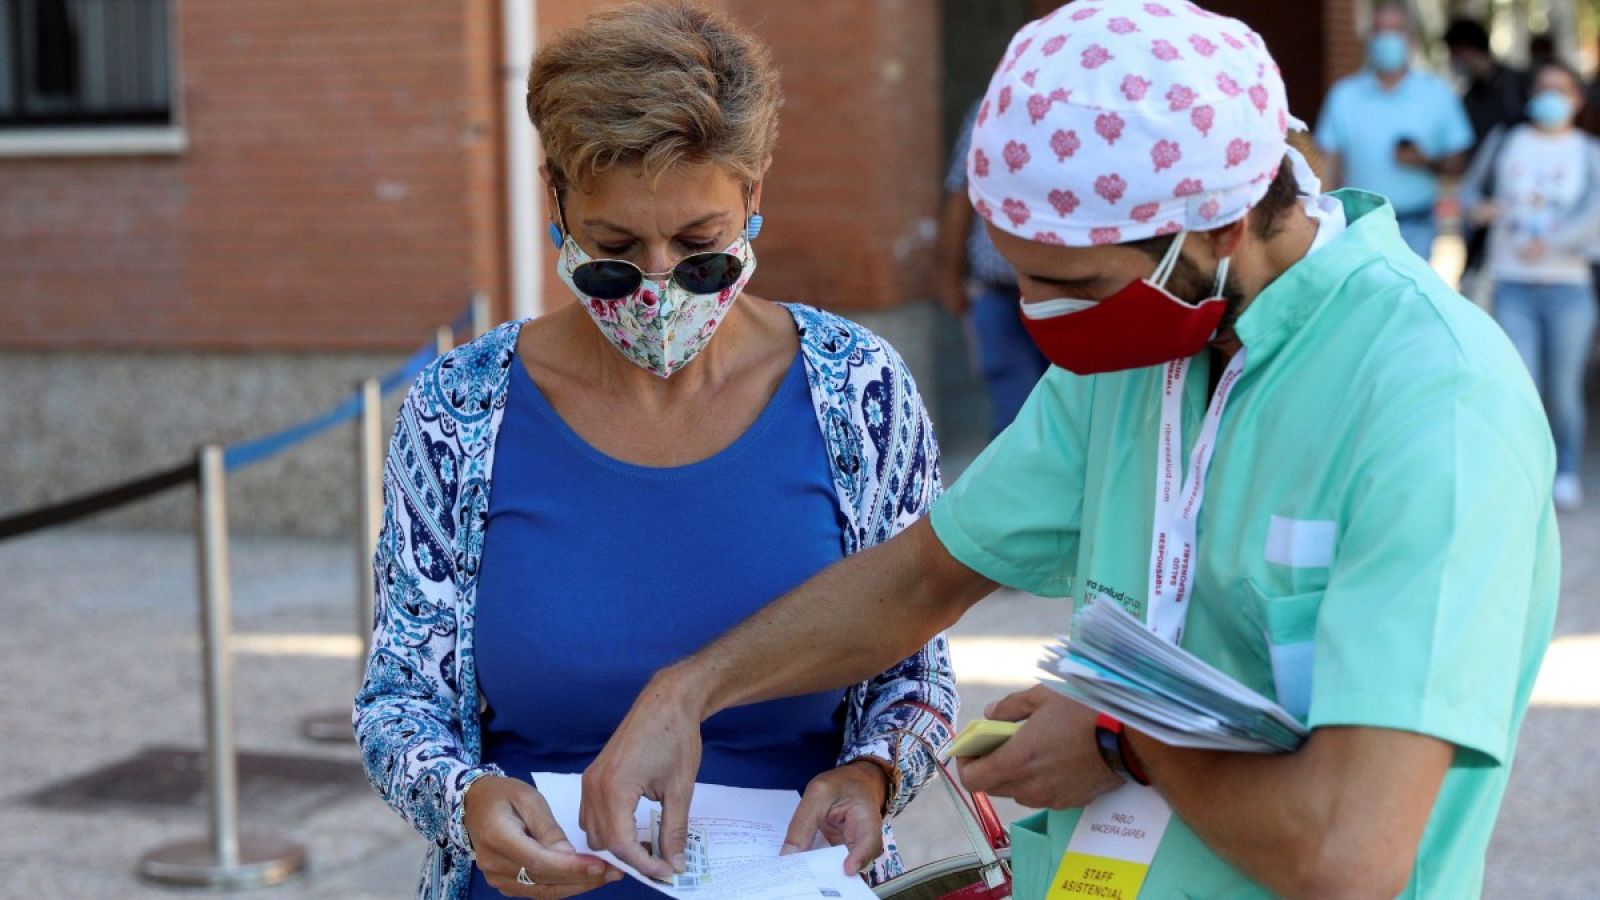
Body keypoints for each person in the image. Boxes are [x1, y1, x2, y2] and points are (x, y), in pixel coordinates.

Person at [579, 2, 1559, 898]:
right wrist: (688, 692)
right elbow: (922, 576)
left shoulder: (1432, 404)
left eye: (1077, 286)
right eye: (1023, 281)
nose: (1043, 318)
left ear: (1215, 226)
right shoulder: (1161, 339)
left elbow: (1350, 850)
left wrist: (1123, 742)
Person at [351, 4, 957, 898]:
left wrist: (871, 775)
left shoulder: (857, 390)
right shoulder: (460, 410)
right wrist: (465, 798)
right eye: (615, 254)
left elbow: (916, 669)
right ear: (557, 201)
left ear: (754, 195)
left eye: (702, 250)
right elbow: (401, 702)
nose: (660, 288)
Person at [1461, 61, 1600, 511]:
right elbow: (1467, 196)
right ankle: (1521, 473)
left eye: (1561, 90)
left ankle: (1567, 469)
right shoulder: (1507, 142)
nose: (1551, 98)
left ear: (1577, 100)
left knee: (1562, 390)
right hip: (1511, 284)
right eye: (1543, 88)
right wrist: (1480, 210)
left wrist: (1553, 241)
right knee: (1520, 385)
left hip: (1568, 286)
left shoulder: (1588, 151)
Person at [1315, 3, 1475, 261]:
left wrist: (1425, 161)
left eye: (1395, 30)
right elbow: (1327, 165)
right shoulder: (1344, 95)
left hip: (1418, 224)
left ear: (1410, 38)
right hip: (1359, 226)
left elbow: (1460, 162)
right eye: (1379, 30)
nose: (1386, 38)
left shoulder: (1437, 93)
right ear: (1368, 38)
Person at [936, 97, 1049, 435]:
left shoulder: (1075, 106)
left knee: (1066, 411)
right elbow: (961, 192)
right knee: (1012, 414)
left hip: (1061, 293)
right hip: (997, 294)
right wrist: (948, 274)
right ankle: (1014, 486)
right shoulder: (990, 107)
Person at [1444, 18, 1528, 277]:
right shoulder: (1470, 97)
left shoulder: (1518, 85)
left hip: (1524, 191)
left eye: (1457, 54)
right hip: (1484, 197)